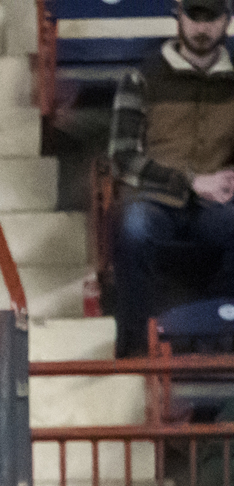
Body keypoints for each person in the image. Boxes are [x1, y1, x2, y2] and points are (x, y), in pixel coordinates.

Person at [109, 0, 234, 356]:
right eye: (195, 15)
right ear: (178, 15)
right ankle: (135, 353)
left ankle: (219, 346)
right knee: (133, 226)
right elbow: (123, 159)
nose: (202, 27)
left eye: (212, 17)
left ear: (227, 19)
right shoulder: (141, 78)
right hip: (155, 199)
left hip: (219, 204)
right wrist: (192, 182)